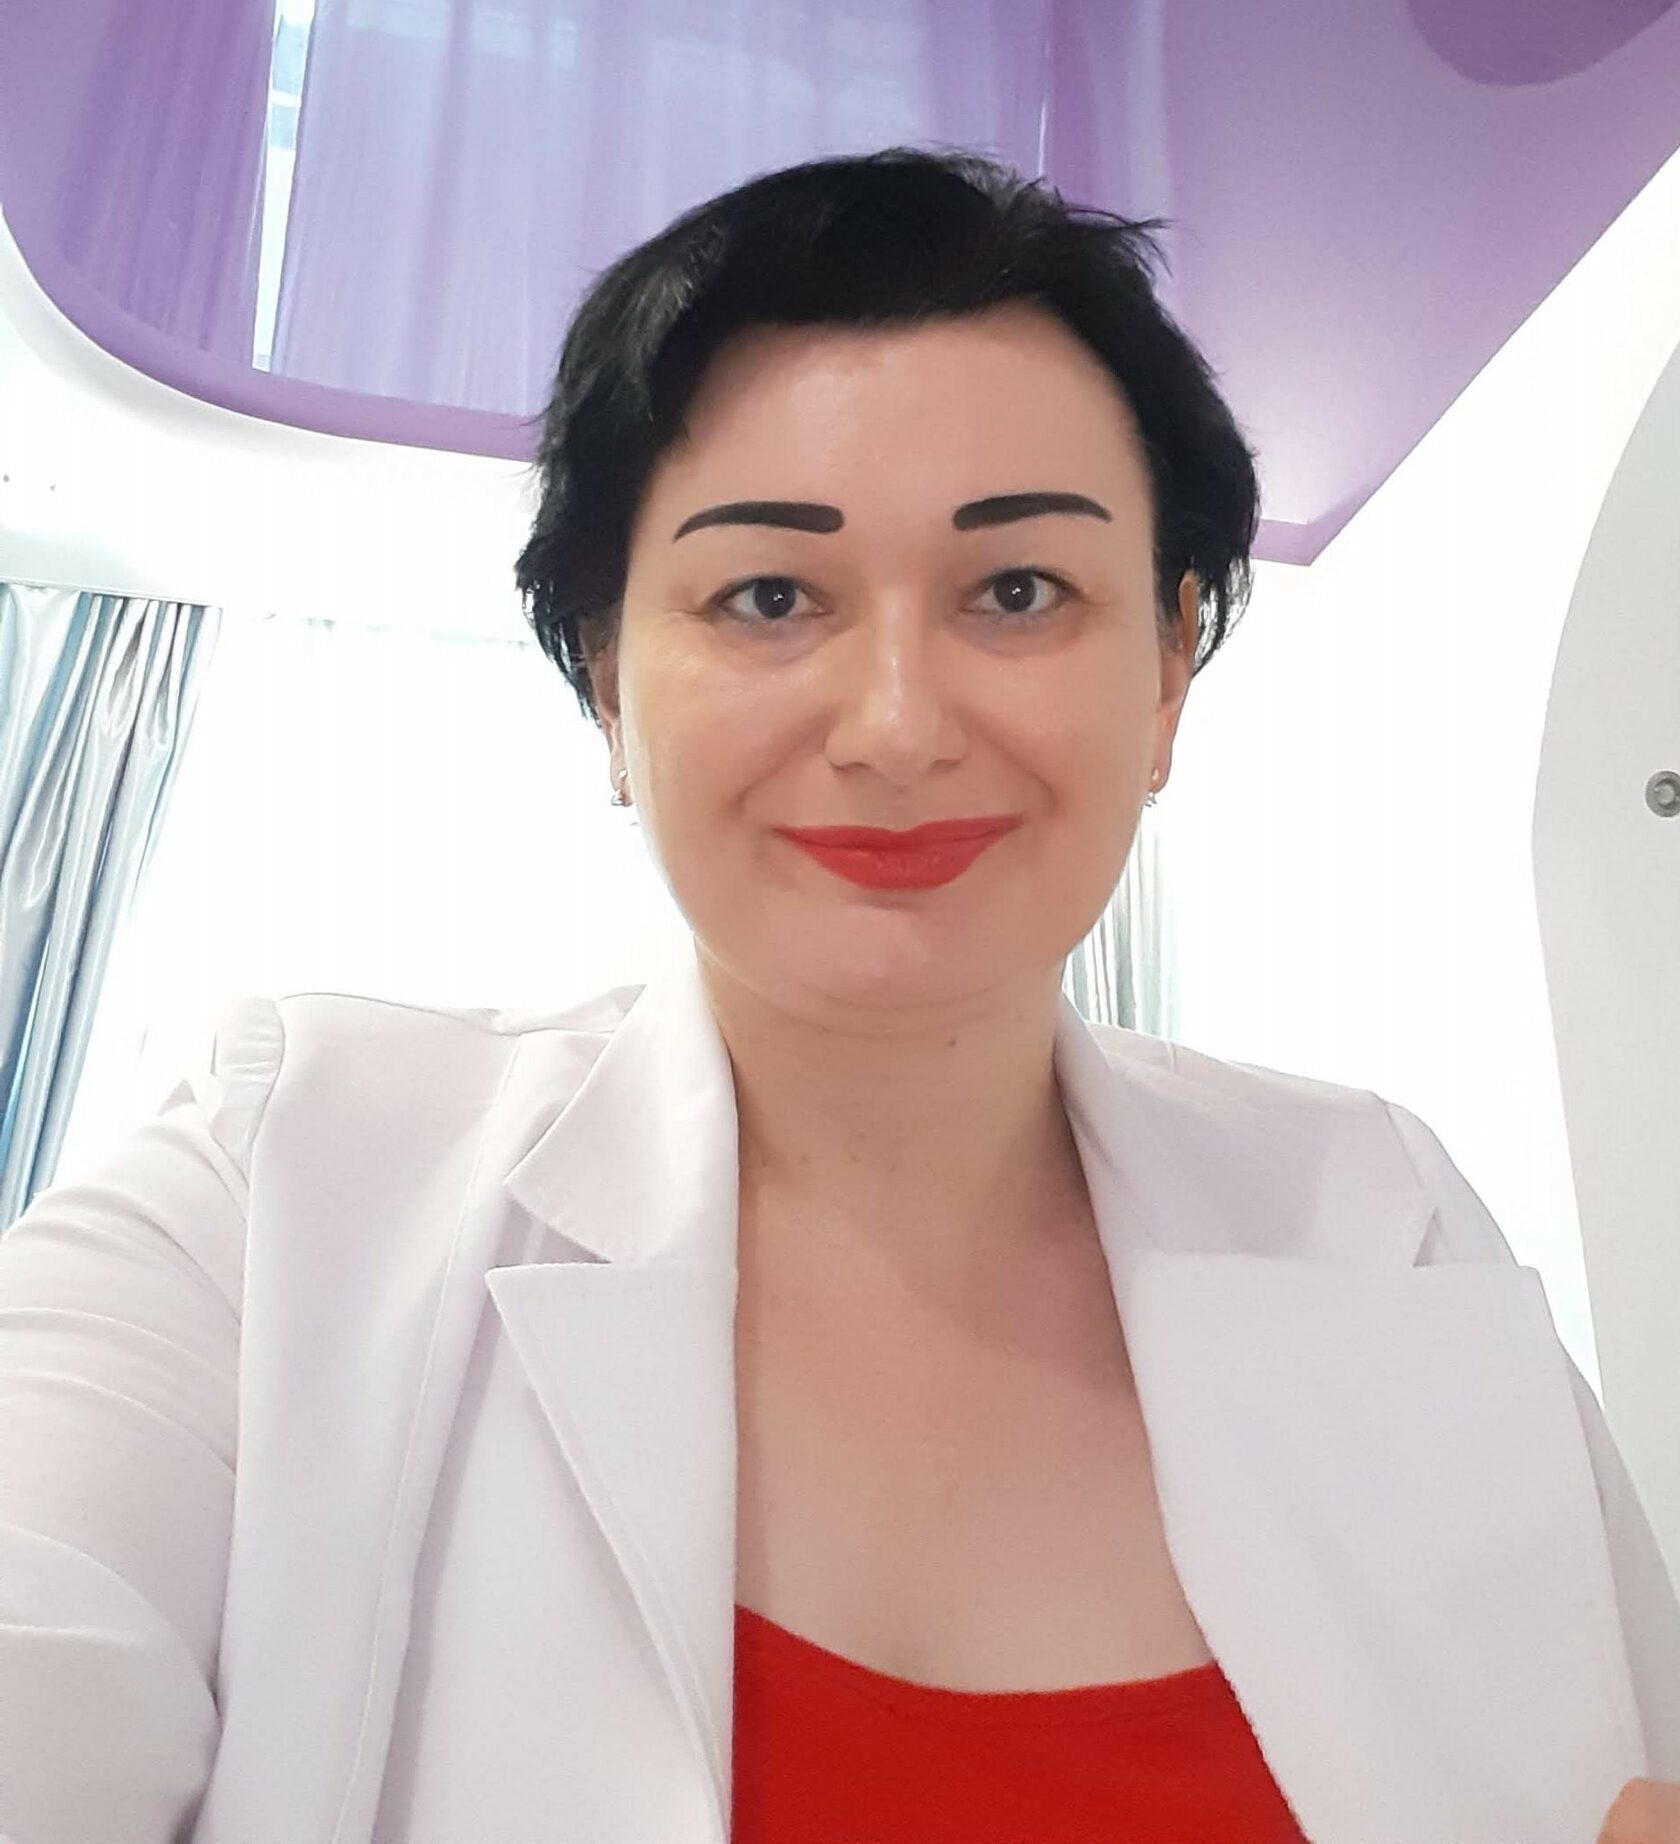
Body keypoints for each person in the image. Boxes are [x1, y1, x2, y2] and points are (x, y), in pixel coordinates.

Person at [2, 145, 1678, 1844]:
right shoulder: (270, 1190)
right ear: (607, 684)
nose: (895, 725)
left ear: (1170, 669)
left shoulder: (1391, 1218)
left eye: (1017, 591)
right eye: (768, 596)